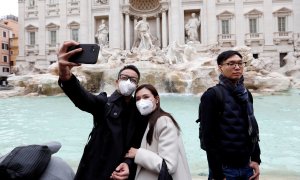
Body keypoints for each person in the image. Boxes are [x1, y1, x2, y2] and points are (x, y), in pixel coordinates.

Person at [57, 40, 147, 180]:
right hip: (94, 172)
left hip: (120, 175)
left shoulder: (140, 112)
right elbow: (83, 98)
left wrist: (128, 164)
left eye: (133, 80)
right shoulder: (104, 103)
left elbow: (137, 144)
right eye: (124, 78)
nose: (128, 82)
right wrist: (65, 75)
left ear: (137, 85)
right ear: (116, 82)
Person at [198, 50, 261, 180]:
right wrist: (217, 173)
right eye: (231, 63)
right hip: (224, 169)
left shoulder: (246, 93)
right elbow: (208, 137)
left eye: (240, 63)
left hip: (247, 166)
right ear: (220, 68)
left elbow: (252, 128)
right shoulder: (211, 95)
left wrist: (255, 159)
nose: (237, 67)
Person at [114, 84, 192, 180]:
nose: (141, 101)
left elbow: (168, 166)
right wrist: (128, 164)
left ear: (157, 99)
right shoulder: (145, 122)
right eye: (138, 99)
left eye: (146, 97)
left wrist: (138, 154)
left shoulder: (164, 121)